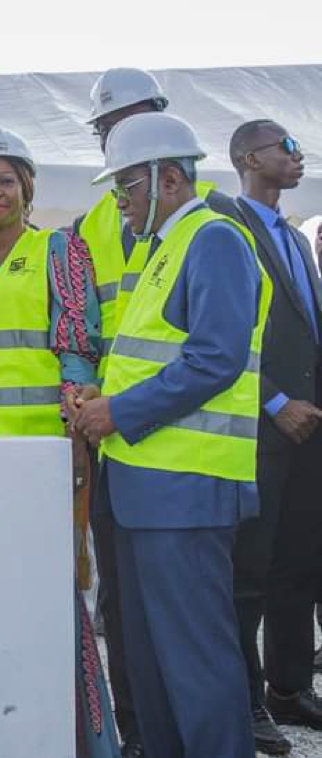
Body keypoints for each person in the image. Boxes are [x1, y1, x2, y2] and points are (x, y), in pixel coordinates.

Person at [74, 112, 270, 758]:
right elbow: (146, 357)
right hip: (143, 492)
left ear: (168, 180)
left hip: (185, 494)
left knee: (197, 666)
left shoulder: (212, 240)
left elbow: (215, 359)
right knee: (155, 668)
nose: (121, 201)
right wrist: (104, 397)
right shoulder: (159, 247)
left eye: (127, 186)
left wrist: (117, 414)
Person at [0, 128, 115, 757]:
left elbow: (77, 345)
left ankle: (67, 730)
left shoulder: (59, 251)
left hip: (36, 448)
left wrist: (76, 429)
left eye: (5, 180)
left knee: (45, 589)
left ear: (28, 188)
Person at [221, 121, 321, 753]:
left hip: (309, 431)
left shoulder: (296, 237)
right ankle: (246, 697)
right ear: (249, 157)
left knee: (300, 563)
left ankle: (289, 686)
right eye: (286, 147)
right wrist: (276, 402)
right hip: (262, 427)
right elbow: (220, 331)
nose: (298, 155)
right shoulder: (227, 230)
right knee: (250, 571)